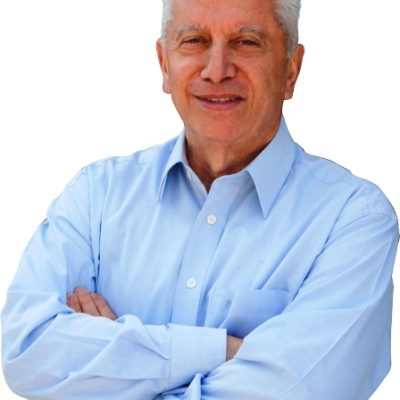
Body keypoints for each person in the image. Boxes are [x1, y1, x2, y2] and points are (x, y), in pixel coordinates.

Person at [1, 0, 399, 399]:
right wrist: (221, 350)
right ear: (164, 64)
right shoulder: (96, 197)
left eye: (246, 42)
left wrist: (107, 368)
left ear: (291, 70)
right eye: (194, 41)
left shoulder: (351, 220)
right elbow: (25, 349)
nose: (216, 69)